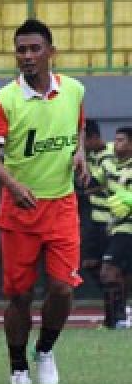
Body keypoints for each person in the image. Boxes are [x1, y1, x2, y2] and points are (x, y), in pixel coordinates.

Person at [0, 19, 87, 384]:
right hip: (20, 210)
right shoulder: (4, 99)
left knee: (62, 288)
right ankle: (17, 365)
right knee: (20, 295)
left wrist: (81, 156)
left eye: (34, 49)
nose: (27, 56)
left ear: (50, 52)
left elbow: (78, 129)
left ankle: (45, 350)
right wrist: (12, 184)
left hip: (62, 205)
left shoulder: (73, 90)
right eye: (21, 50)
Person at [92, 127, 132, 329]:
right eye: (115, 140)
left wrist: (129, 199)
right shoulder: (107, 163)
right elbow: (91, 183)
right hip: (115, 226)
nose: (116, 144)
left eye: (121, 140)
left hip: (128, 227)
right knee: (118, 273)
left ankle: (115, 320)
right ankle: (117, 320)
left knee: (108, 271)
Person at [78, 120, 114, 305]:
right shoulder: (88, 157)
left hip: (113, 220)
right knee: (90, 264)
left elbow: (99, 183)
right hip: (96, 220)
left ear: (92, 138)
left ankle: (119, 308)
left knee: (114, 268)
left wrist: (91, 186)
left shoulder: (112, 153)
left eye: (82, 140)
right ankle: (115, 304)